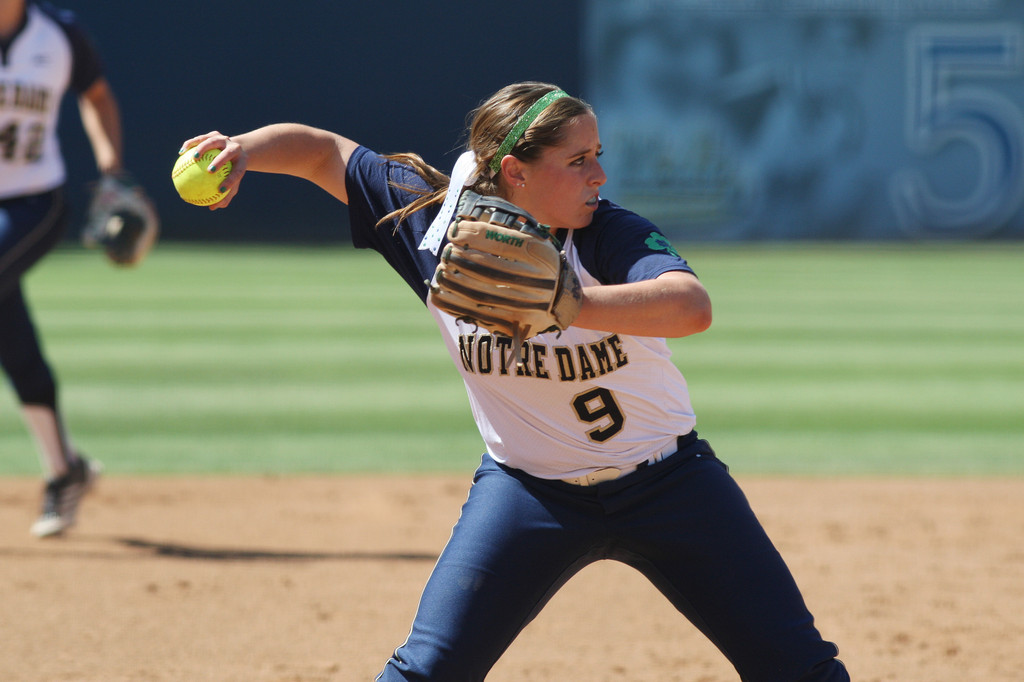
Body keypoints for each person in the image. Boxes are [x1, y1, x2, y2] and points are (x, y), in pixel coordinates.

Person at [179, 81, 850, 681]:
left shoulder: (607, 235)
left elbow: (691, 307)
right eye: (579, 159)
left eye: (597, 154)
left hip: (671, 487)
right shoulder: (433, 227)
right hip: (528, 495)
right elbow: (323, 153)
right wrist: (241, 148)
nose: (600, 173)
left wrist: (570, 304)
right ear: (514, 172)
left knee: (799, 669)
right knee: (427, 671)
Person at [0, 0, 122, 537]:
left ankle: (64, 470)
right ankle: (65, 470)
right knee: (10, 334)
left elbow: (96, 96)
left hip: (34, 203)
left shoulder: (58, 36)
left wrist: (112, 172)